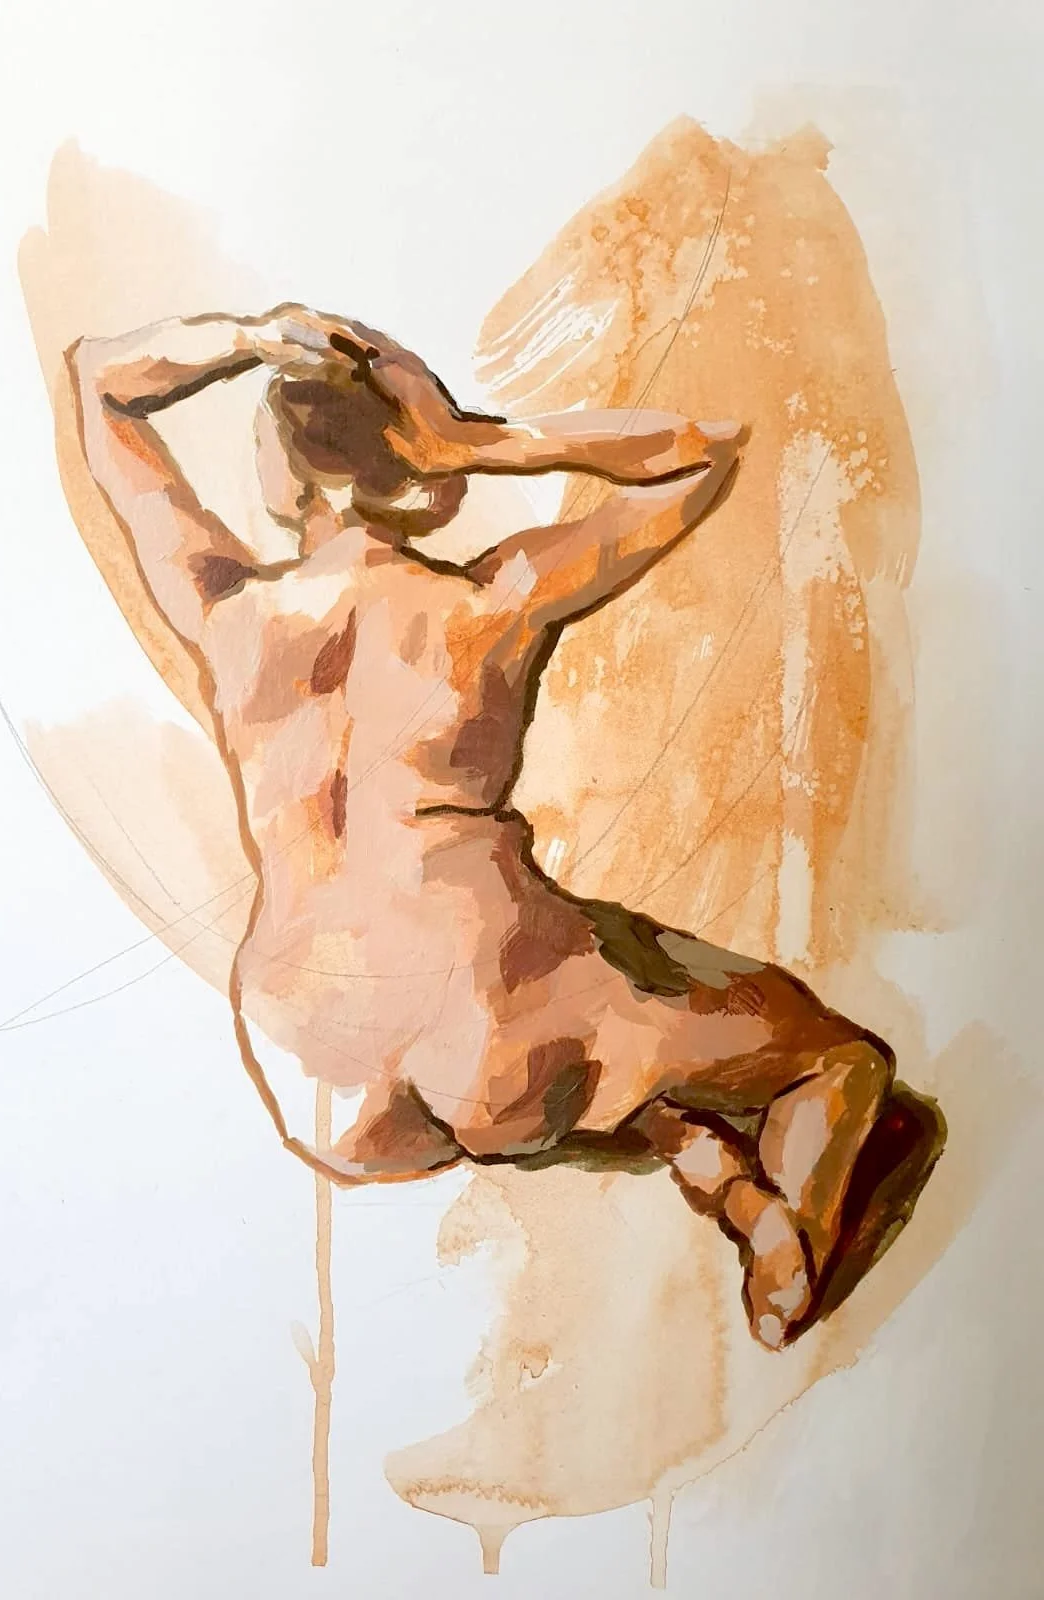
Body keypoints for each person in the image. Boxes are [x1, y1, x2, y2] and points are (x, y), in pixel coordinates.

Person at [67, 304, 944, 1349]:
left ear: (279, 479)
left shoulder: (226, 612)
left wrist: (255, 335)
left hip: (316, 1074)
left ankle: (704, 1162)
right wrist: (478, 439)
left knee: (609, 990)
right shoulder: (493, 599)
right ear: (413, 468)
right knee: (825, 1056)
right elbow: (699, 455)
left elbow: (100, 381)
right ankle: (757, 1201)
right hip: (495, 1028)